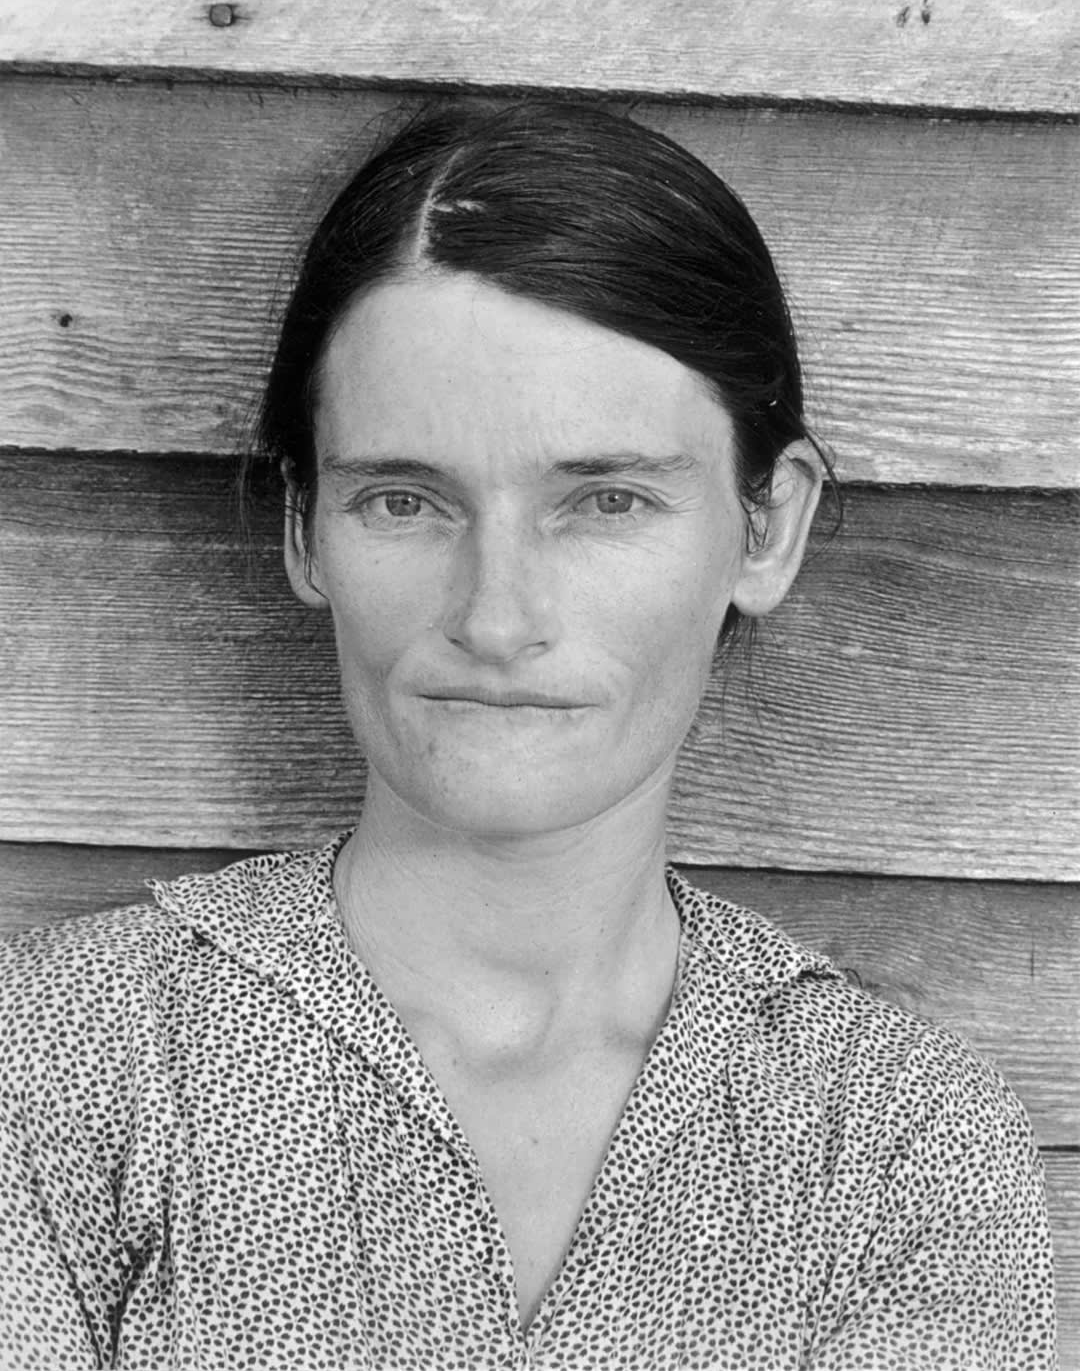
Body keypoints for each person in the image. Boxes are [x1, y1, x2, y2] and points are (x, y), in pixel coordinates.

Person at [0, 101, 1057, 1369]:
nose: (497, 617)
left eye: (604, 500)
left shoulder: (893, 1145)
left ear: (766, 528)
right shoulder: (60, 1064)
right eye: (404, 498)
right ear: (304, 530)